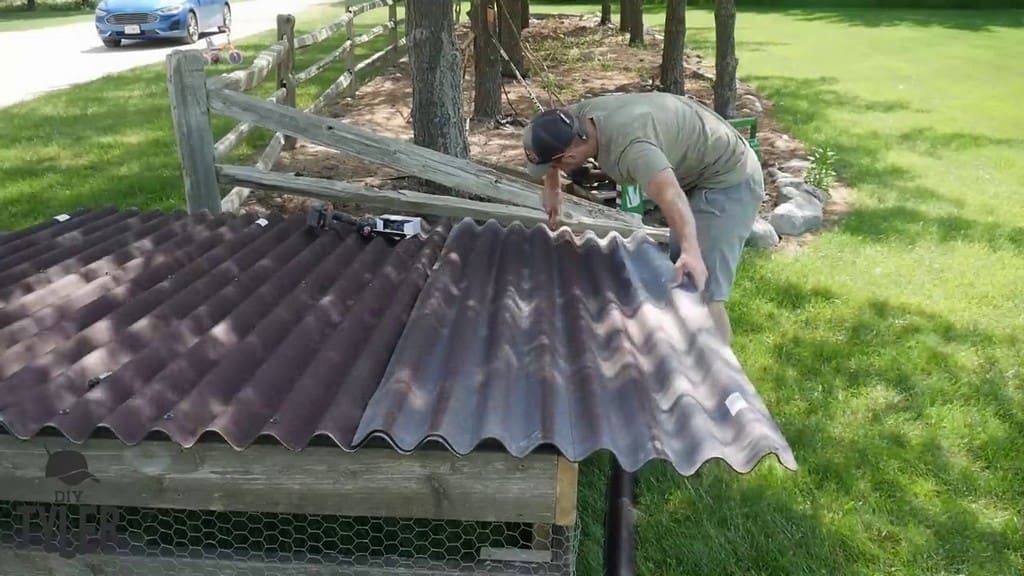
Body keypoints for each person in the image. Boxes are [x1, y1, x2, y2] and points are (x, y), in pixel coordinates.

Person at [522, 92, 765, 344]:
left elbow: (671, 196)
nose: (551, 170)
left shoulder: (633, 150)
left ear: (570, 158)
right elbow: (546, 136)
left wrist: (692, 251)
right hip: (696, 162)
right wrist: (553, 186)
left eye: (552, 167)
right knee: (679, 277)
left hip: (728, 177)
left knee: (701, 290)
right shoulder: (573, 120)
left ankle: (720, 367)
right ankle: (686, 348)